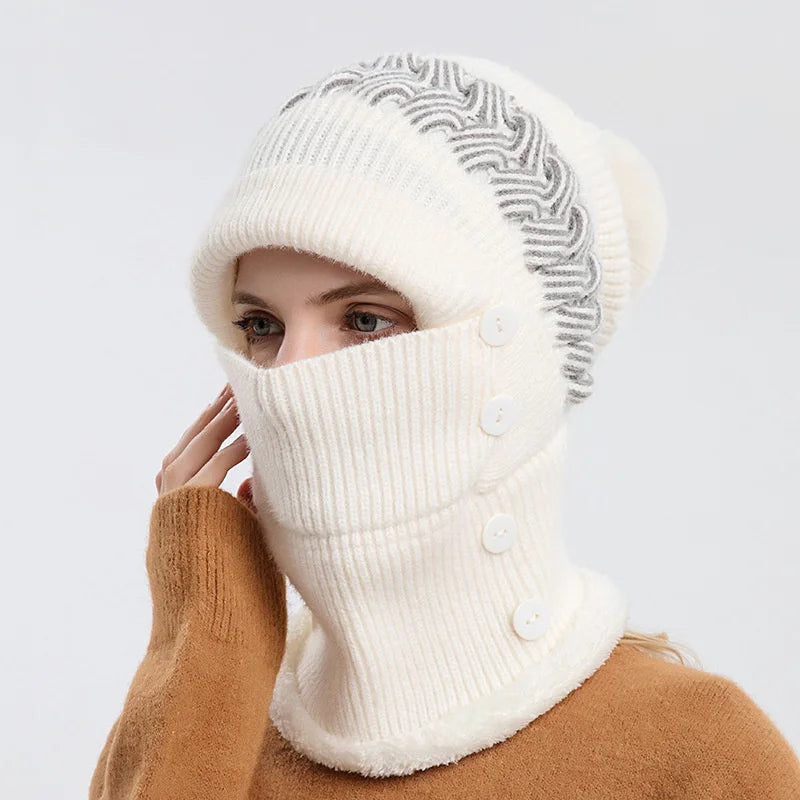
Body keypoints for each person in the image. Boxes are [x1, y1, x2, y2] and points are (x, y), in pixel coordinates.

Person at [89, 51, 800, 798]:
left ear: (514, 366)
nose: (289, 375)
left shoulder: (694, 747)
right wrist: (204, 630)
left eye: (366, 319)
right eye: (261, 325)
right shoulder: (218, 706)